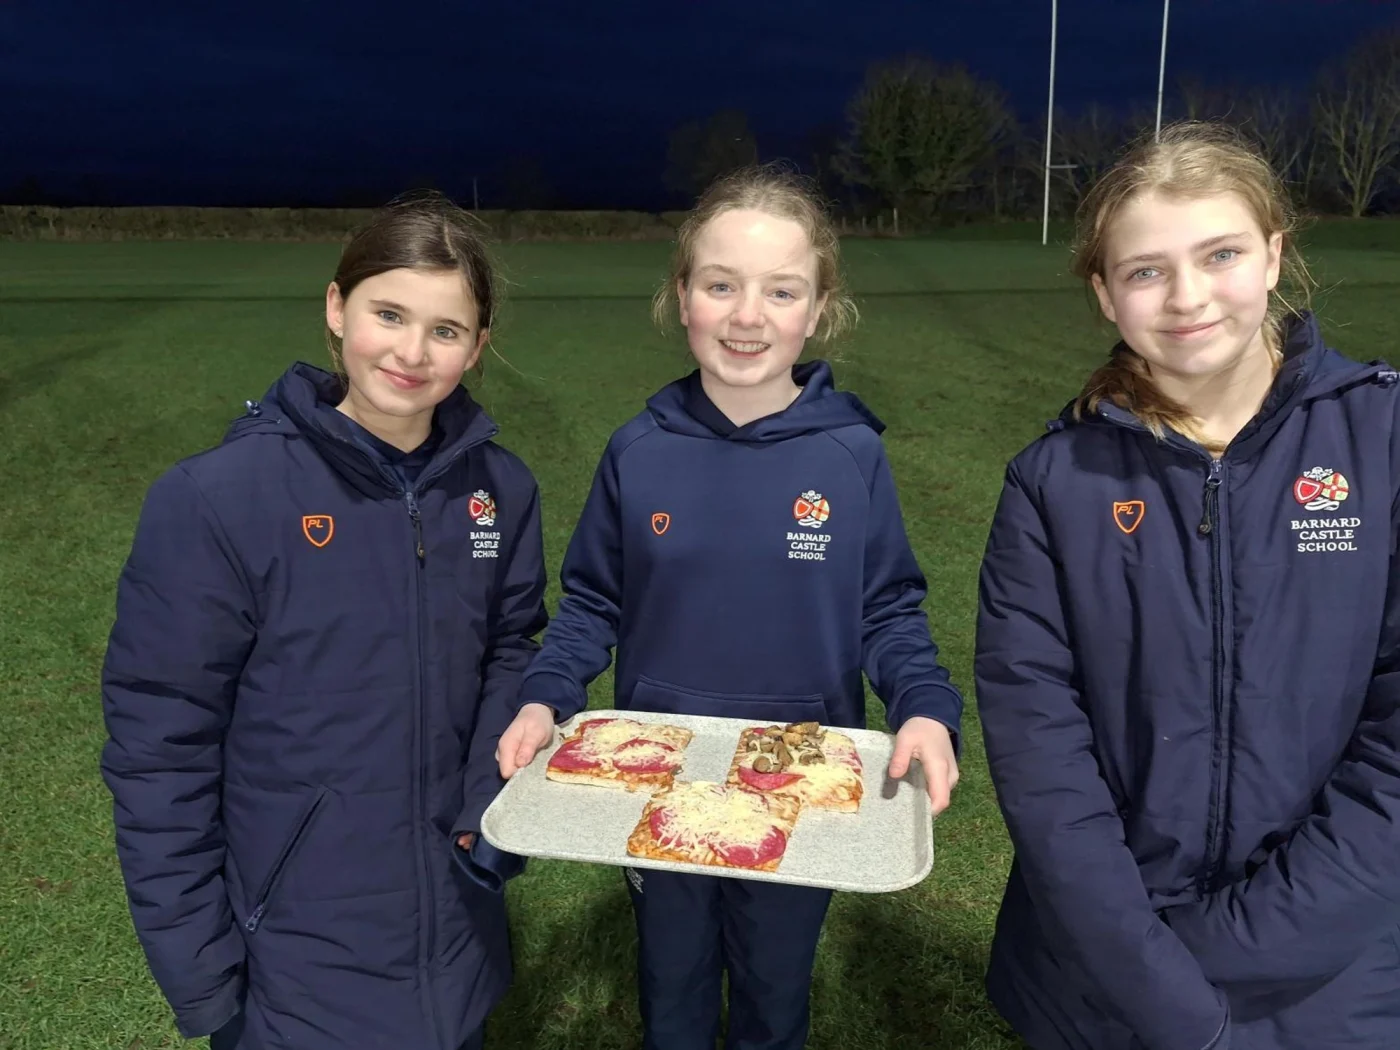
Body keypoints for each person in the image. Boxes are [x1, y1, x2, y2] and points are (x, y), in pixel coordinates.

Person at [493, 164, 963, 1050]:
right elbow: (593, 600)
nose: (749, 316)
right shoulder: (638, 452)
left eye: (780, 291)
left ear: (818, 308)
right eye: (722, 286)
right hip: (660, 777)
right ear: (683, 297)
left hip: (805, 781)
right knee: (670, 989)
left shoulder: (851, 453)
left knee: (774, 993)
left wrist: (927, 707)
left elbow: (889, 609)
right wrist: (545, 693)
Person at [974, 120, 1400, 1050]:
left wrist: (1219, 953)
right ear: (1105, 293)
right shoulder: (1052, 483)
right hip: (1099, 978)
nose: (1189, 297)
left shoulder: (1384, 439)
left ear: (1275, 252)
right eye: (1146, 270)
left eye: (1220, 254)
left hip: (1333, 981)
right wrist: (1144, 972)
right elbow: (1042, 757)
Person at [99, 191, 546, 1050]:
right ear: (337, 308)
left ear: (478, 345)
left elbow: (510, 646)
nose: (412, 352)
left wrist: (488, 815)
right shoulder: (216, 500)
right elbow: (160, 750)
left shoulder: (500, 489)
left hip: (455, 945)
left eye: (446, 330)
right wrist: (202, 976)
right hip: (290, 967)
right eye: (389, 313)